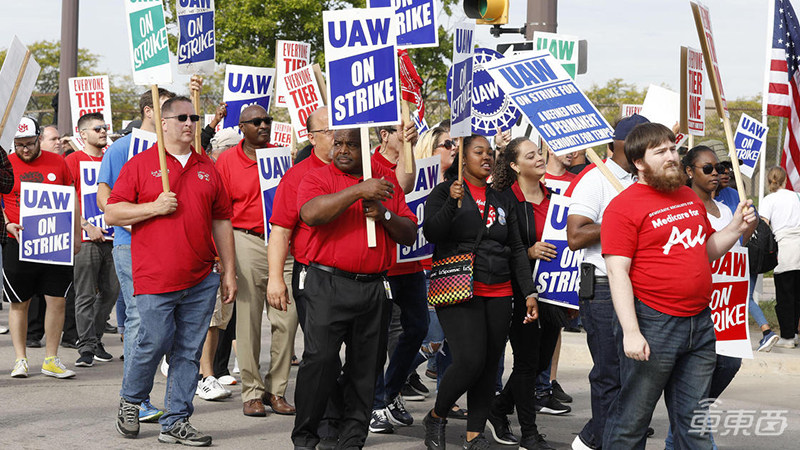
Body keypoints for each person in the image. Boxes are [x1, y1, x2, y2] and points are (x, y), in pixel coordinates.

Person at [601, 123, 756, 449]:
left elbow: (708, 249)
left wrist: (737, 226)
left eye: (673, 148)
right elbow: (618, 272)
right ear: (639, 162)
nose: (671, 156)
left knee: (694, 425)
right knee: (631, 423)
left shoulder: (687, 196)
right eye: (661, 152)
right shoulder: (623, 206)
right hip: (653, 323)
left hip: (700, 324)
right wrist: (631, 331)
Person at [108, 96, 237, 446]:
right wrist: (153, 207)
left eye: (193, 117)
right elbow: (113, 214)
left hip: (200, 278)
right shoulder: (140, 164)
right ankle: (131, 400)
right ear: (163, 122)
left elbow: (222, 220)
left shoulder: (207, 166)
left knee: (188, 352)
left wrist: (228, 271)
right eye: (181, 117)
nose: (189, 123)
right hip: (155, 276)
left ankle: (176, 420)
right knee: (151, 342)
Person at [291, 127, 417, 450]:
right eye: (339, 143)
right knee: (320, 361)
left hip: (374, 288)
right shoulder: (317, 178)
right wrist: (358, 192)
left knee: (367, 368)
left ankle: (351, 439)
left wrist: (384, 212)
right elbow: (311, 213)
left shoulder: (383, 182)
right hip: (327, 283)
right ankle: (306, 436)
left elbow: (408, 233)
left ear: (366, 146)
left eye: (351, 144)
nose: (344, 150)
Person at [421, 134, 538, 450]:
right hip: (459, 288)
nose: (487, 156)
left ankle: (475, 434)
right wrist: (451, 203)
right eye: (478, 151)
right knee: (470, 360)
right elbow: (432, 232)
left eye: (490, 153)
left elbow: (515, 247)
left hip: (499, 290)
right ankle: (436, 416)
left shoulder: (502, 198)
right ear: (462, 157)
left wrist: (528, 291)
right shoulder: (445, 191)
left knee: (489, 365)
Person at [659, 145, 757, 449]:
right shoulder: (683, 207)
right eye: (709, 169)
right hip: (696, 305)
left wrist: (748, 227)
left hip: (725, 306)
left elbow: (735, 248)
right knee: (694, 386)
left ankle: (681, 428)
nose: (717, 174)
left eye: (720, 169)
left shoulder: (725, 209)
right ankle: (691, 429)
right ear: (689, 172)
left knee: (729, 364)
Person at [566, 113, 648, 450]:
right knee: (609, 375)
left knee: (637, 377)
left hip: (639, 287)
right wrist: (619, 218)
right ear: (623, 145)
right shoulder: (594, 180)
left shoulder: (641, 182)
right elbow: (575, 236)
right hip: (601, 289)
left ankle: (593, 439)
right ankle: (599, 440)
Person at [97, 87, 176, 422]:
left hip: (170, 246)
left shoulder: (173, 149)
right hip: (130, 244)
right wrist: (137, 219)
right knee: (139, 318)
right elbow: (105, 198)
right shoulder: (121, 148)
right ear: (148, 111)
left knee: (164, 320)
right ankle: (134, 399)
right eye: (165, 109)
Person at [215, 104, 298, 415]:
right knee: (248, 321)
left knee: (287, 320)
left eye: (267, 120)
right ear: (242, 127)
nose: (263, 125)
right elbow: (219, 211)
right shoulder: (226, 161)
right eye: (256, 122)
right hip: (245, 239)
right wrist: (222, 258)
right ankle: (251, 392)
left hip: (281, 242)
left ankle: (276, 391)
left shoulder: (280, 158)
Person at [268, 106, 339, 445]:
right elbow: (280, 231)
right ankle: (320, 424)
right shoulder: (297, 176)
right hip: (313, 276)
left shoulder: (362, 169)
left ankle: (345, 417)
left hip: (359, 281)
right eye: (329, 130)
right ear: (311, 138)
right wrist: (275, 278)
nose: (338, 136)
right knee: (321, 354)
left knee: (353, 356)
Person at [488, 137, 564, 450]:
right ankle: (529, 435)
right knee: (526, 363)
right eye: (530, 155)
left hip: (554, 292)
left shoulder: (556, 198)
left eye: (539, 153)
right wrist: (528, 252)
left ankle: (499, 408)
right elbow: (495, 245)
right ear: (515, 165)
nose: (539, 159)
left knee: (540, 361)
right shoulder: (504, 199)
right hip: (520, 290)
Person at [3, 117, 79, 379]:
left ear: (39, 138)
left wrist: (76, 235)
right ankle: (20, 359)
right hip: (17, 242)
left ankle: (51, 359)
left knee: (57, 300)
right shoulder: (6, 164)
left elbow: (72, 197)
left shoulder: (58, 162)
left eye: (30, 144)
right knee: (19, 302)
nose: (25, 150)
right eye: (19, 145)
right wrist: (7, 225)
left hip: (54, 241)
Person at [369, 121, 429, 434]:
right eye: (401, 131)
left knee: (418, 328)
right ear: (384, 135)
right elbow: (402, 185)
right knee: (377, 338)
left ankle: (391, 392)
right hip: (384, 267)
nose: (410, 136)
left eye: (413, 132)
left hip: (411, 265)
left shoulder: (416, 162)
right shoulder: (371, 165)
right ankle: (375, 403)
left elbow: (408, 184)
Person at [65, 112, 119, 367]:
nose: (103, 132)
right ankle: (85, 346)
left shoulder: (113, 158)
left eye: (104, 128)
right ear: (82, 134)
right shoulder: (72, 160)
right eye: (97, 129)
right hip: (86, 238)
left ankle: (95, 339)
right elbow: (67, 199)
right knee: (85, 294)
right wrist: (86, 226)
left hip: (114, 236)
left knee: (110, 291)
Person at [759, 166, 800, 348]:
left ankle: (788, 337)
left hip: (783, 249)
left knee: (784, 296)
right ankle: (796, 332)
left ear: (769, 181)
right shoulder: (796, 196)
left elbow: (764, 227)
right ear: (785, 180)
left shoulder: (768, 200)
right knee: (797, 295)